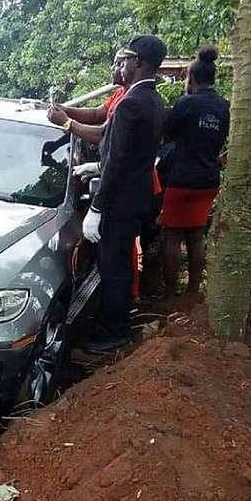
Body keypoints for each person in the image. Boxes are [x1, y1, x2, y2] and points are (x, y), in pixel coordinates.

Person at [81, 35, 166, 353]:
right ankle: (117, 322)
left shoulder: (131, 103)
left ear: (139, 63)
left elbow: (117, 162)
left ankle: (114, 332)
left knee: (113, 266)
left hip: (122, 199)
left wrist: (97, 207)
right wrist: (96, 165)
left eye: (124, 60)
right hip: (136, 195)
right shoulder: (152, 100)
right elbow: (125, 154)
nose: (119, 66)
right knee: (119, 264)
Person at [160, 45, 230, 306]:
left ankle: (169, 295)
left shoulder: (187, 103)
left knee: (172, 235)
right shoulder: (224, 106)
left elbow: (167, 133)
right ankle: (192, 293)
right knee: (196, 235)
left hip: (182, 179)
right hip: (208, 180)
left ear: (193, 79)